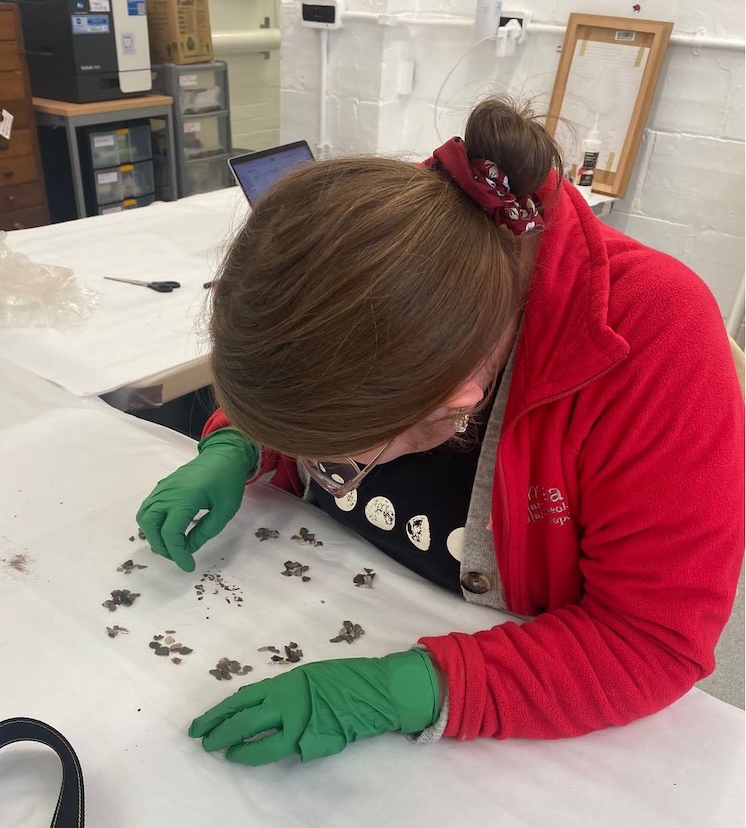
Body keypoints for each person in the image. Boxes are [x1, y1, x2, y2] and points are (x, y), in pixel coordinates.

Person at [136, 97, 745, 767]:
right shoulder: (389, 239)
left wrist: (411, 690)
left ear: (456, 408)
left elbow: (650, 641)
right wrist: (238, 443)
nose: (315, 468)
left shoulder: (656, 340)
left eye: (336, 464)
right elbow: (307, 377)